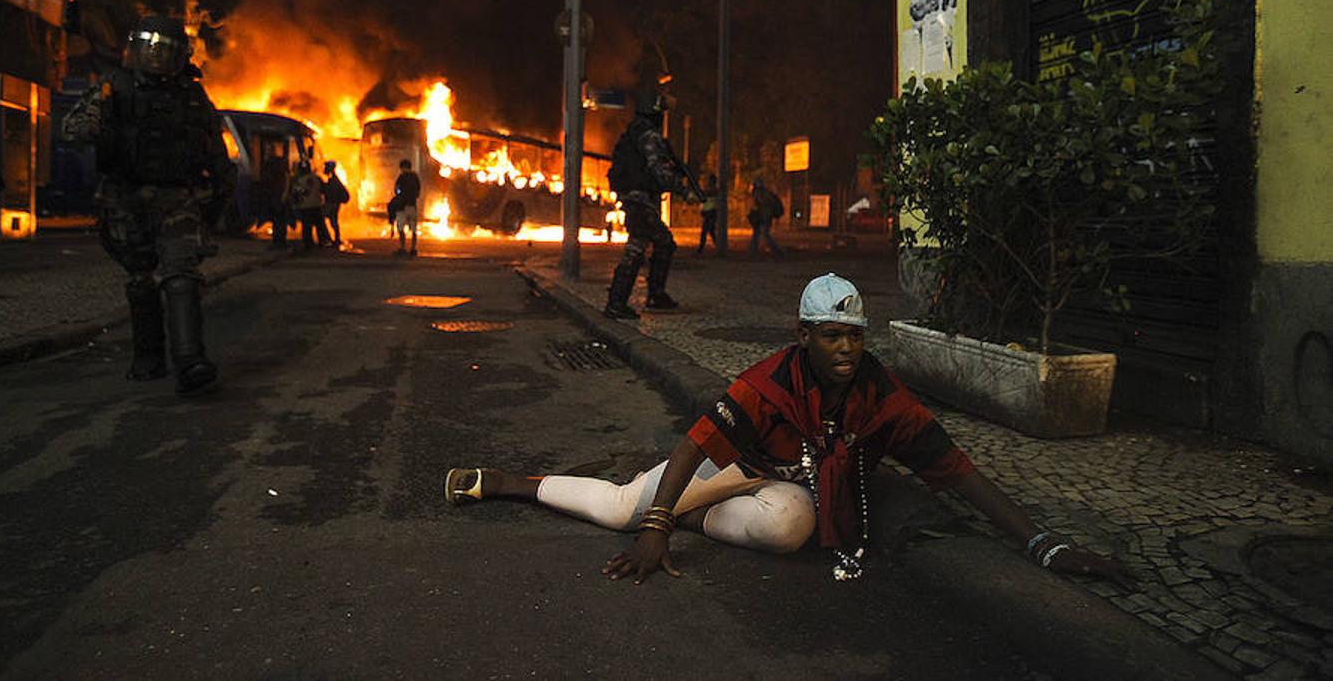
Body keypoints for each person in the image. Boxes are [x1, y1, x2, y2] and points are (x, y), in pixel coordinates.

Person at [444, 273, 1134, 588]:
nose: (846, 349)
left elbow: (953, 470)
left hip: (783, 492)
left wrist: (1046, 547)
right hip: (735, 469)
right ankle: (512, 482)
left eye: (855, 336)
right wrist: (656, 526)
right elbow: (694, 444)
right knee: (628, 509)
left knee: (789, 528)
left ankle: (686, 518)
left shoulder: (878, 394)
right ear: (803, 336)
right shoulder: (768, 381)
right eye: (831, 336)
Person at [60, 14, 236, 396]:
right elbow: (72, 129)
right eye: (149, 48)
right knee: (141, 280)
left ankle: (190, 360)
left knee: (181, 272)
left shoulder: (192, 97)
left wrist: (214, 207)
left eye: (164, 51)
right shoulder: (114, 87)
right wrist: (95, 126)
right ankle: (148, 359)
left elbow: (218, 157)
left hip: (176, 198)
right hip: (124, 198)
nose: (155, 58)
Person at [603, 82, 699, 319]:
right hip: (639, 199)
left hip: (635, 198)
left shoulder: (635, 131)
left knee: (652, 243)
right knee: (643, 246)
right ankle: (620, 301)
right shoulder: (648, 135)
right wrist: (683, 191)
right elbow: (659, 171)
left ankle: (649, 295)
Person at [289, 156, 326, 249]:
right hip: (317, 205)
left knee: (307, 227)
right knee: (319, 225)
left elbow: (296, 193)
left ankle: (309, 244)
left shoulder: (299, 181)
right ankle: (322, 242)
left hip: (305, 207)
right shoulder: (317, 178)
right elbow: (323, 189)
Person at [259, 143, 291, 249]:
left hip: (277, 196)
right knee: (278, 220)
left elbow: (285, 179)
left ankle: (279, 241)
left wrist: (284, 194)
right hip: (274, 196)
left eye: (269, 150)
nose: (267, 152)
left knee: (279, 220)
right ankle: (278, 241)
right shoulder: (274, 163)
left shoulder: (276, 164)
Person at [390, 158, 421, 256]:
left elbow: (397, 190)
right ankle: (413, 248)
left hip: (402, 207)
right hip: (412, 206)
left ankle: (403, 248)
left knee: (400, 228)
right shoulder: (415, 177)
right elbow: (418, 191)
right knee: (413, 229)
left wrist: (399, 195)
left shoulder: (402, 177)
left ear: (402, 167)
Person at [748, 177, 784, 257]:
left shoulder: (761, 193)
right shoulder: (764, 192)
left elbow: (762, 205)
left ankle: (777, 250)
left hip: (764, 216)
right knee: (758, 233)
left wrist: (757, 213)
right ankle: (753, 249)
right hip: (764, 216)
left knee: (764, 234)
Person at [320, 159, 348, 247]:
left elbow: (329, 191)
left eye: (326, 167)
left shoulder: (333, 180)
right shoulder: (333, 179)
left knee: (322, 219)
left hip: (332, 204)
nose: (324, 169)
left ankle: (329, 238)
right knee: (333, 221)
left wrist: (321, 185)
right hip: (334, 204)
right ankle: (336, 238)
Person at [695, 173, 719, 255]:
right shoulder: (710, 190)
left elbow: (706, 195)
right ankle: (718, 246)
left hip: (711, 213)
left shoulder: (713, 190)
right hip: (708, 213)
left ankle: (701, 249)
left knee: (705, 231)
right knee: (711, 232)